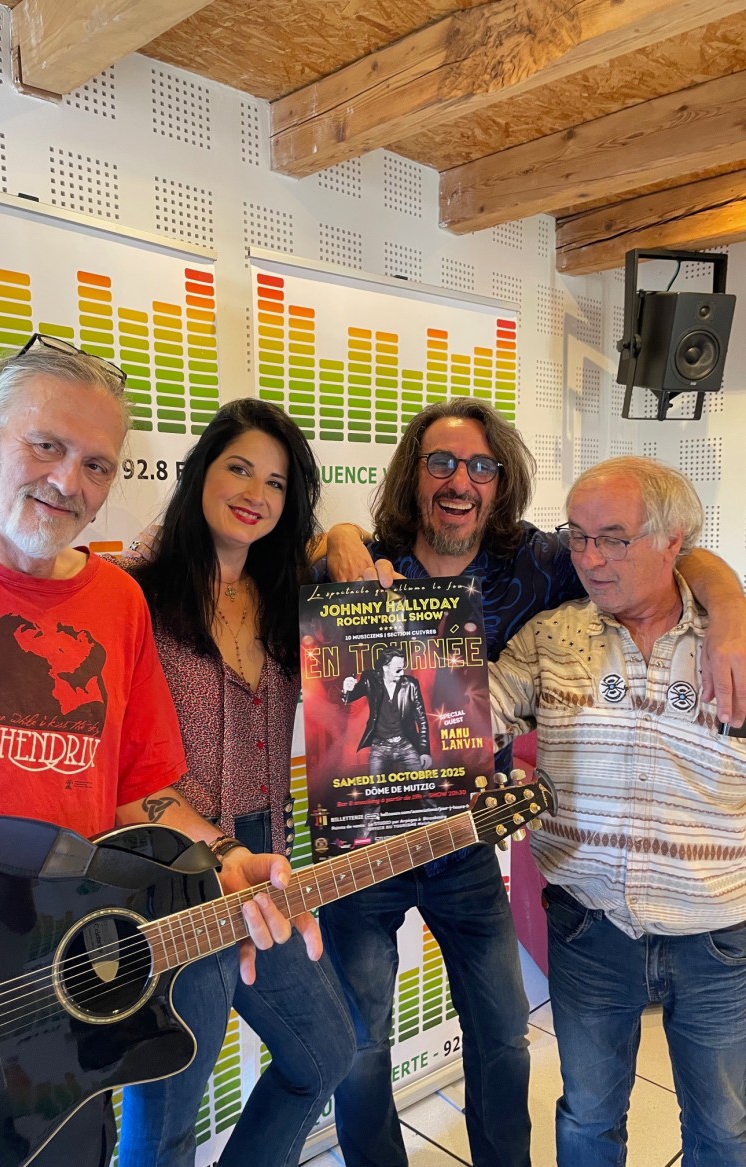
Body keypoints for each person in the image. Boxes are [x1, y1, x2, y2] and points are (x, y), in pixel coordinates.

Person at [0, 339, 318, 1167]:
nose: (68, 481)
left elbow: (141, 788)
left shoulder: (116, 601)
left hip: (56, 992)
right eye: (46, 445)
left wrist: (222, 855)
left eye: (97, 464)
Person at [319, 397, 746, 1167]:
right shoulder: (386, 571)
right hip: (382, 851)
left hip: (501, 858)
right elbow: (469, 706)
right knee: (365, 1050)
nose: (591, 557)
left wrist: (731, 608)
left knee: (708, 1125)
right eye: (440, 461)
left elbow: (689, 558)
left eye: (479, 465)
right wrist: (337, 536)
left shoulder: (536, 563)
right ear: (413, 472)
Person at [115, 399, 356, 1167]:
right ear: (200, 473)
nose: (255, 492)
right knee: (167, 1115)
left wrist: (345, 537)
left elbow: (347, 552)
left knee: (325, 1053)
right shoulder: (134, 595)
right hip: (164, 866)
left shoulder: (290, 595)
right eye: (239, 468)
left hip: (262, 850)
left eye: (276, 483)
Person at [487, 456, 746, 1167]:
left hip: (717, 938)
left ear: (674, 541)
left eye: (613, 538)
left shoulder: (733, 645)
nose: (589, 558)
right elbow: (474, 714)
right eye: (577, 536)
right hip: (589, 929)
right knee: (587, 1118)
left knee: (723, 1130)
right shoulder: (550, 637)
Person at [342, 646, 431, 774]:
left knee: (421, 783)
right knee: (375, 785)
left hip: (406, 744)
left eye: (403, 668)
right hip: (380, 746)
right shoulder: (370, 680)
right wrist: (346, 689)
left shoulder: (411, 684)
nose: (402, 673)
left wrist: (424, 751)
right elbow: (349, 698)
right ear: (385, 668)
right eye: (397, 670)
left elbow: (421, 719)